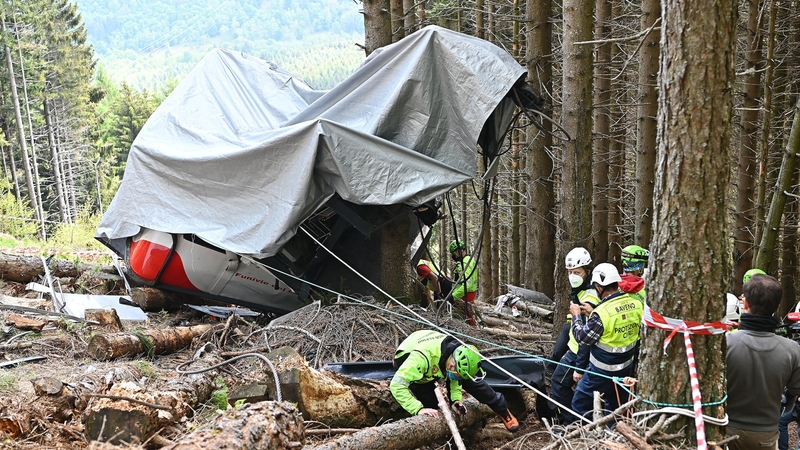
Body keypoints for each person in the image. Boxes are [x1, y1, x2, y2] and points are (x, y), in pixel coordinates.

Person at [390, 329, 519, 432]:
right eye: (456, 375)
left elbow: (455, 379)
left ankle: (501, 409)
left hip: (436, 358)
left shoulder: (459, 350)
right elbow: (396, 385)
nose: (457, 378)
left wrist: (455, 400)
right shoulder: (419, 360)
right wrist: (418, 409)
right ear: (451, 365)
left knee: (472, 382)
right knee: (431, 407)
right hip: (409, 361)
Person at [727, 274, 800, 450]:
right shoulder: (792, 349)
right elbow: (795, 390)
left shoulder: (726, 343)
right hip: (765, 434)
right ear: (777, 306)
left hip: (727, 428)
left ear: (745, 304)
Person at [568, 262, 643, 422]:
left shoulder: (602, 313)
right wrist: (593, 314)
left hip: (600, 372)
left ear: (599, 287)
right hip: (625, 369)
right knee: (617, 408)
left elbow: (582, 337)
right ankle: (614, 432)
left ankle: (583, 434)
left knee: (580, 404)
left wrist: (576, 316)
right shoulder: (636, 304)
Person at [546, 247, 600, 423]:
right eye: (570, 272)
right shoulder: (581, 290)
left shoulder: (588, 298)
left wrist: (579, 367)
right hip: (577, 349)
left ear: (588, 272)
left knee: (559, 383)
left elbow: (586, 336)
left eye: (577, 272)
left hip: (579, 353)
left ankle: (572, 421)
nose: (573, 276)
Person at [449, 240, 478, 326]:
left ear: (459, 251)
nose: (453, 256)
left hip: (466, 294)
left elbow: (466, 285)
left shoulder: (464, 263)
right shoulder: (469, 259)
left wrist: (453, 296)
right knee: (468, 316)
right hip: (469, 292)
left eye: (454, 253)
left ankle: (472, 331)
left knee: (466, 317)